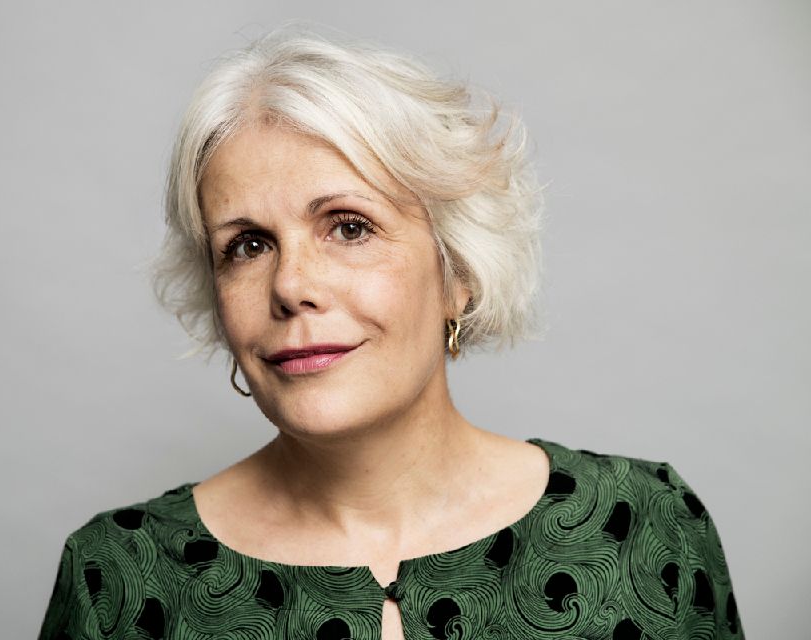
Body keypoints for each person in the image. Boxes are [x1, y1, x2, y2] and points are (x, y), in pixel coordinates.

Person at [38, 25, 743, 640]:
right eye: (248, 245)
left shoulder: (647, 527)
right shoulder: (117, 580)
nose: (289, 285)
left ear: (457, 271)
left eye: (349, 228)